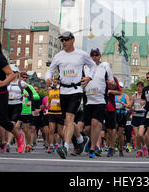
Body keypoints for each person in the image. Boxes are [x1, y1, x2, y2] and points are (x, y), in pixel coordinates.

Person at [45, 31, 96, 159]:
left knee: (69, 118)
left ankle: (65, 147)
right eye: (62, 40)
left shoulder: (81, 54)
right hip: (63, 91)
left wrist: (89, 77)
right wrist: (48, 78)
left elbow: (93, 65)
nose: (64, 42)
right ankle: (80, 138)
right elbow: (50, 70)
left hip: (76, 90)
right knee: (68, 120)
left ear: (72, 40)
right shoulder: (58, 56)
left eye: (66, 40)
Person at [83, 48, 115, 158]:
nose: (94, 57)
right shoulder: (85, 67)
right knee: (87, 129)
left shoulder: (105, 67)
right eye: (92, 55)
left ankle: (92, 149)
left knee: (95, 123)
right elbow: (80, 81)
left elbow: (113, 83)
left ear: (100, 55)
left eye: (96, 55)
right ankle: (91, 140)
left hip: (100, 100)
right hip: (88, 100)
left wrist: (111, 84)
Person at [47, 81, 64, 153]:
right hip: (52, 112)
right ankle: (51, 146)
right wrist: (47, 105)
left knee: (60, 132)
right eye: (53, 83)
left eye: (56, 83)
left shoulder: (61, 91)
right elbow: (49, 101)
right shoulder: (51, 92)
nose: (54, 84)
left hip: (60, 113)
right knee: (51, 130)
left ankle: (63, 145)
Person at [131, 81, 147, 157]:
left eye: (140, 86)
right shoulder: (134, 96)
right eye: (138, 86)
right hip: (135, 116)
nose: (139, 88)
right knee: (137, 136)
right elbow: (130, 105)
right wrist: (128, 106)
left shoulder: (145, 96)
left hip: (143, 115)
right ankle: (139, 150)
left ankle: (144, 146)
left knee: (141, 134)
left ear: (143, 88)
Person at [115, 86, 131, 157]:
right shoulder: (113, 95)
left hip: (122, 115)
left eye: (121, 87)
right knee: (112, 132)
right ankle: (112, 147)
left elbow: (129, 105)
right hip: (114, 114)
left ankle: (120, 149)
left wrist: (122, 103)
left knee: (120, 133)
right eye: (118, 87)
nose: (120, 88)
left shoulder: (125, 96)